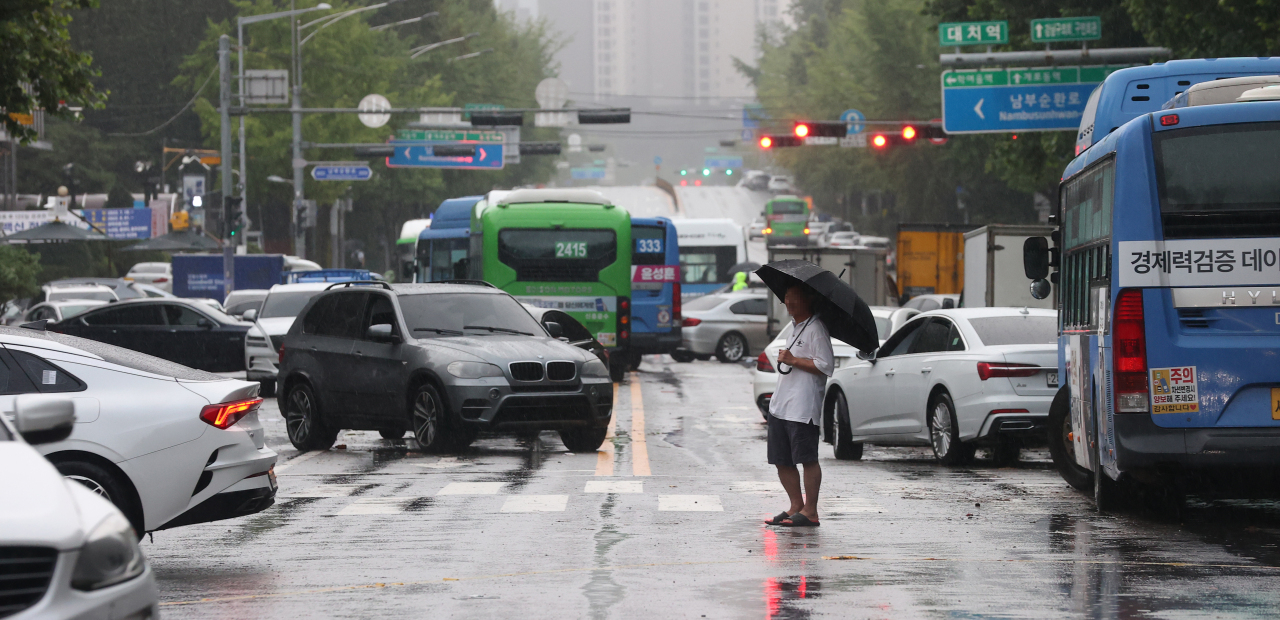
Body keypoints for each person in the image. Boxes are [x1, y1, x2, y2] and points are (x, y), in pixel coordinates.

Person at [764, 283, 833, 527]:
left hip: (803, 407)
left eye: (794, 298)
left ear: (808, 299)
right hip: (781, 404)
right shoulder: (795, 328)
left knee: (807, 458)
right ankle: (796, 505)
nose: (789, 302)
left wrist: (794, 359)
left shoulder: (816, 328)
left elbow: (826, 366)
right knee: (781, 459)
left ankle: (810, 511)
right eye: (786, 297)